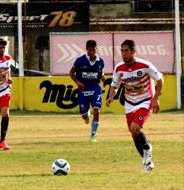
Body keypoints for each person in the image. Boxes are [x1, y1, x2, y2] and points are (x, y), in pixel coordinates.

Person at [106, 39, 163, 172]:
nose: (123, 53)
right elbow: (114, 85)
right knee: (133, 133)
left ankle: (147, 150)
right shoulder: (119, 68)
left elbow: (160, 80)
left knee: (135, 128)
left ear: (133, 52)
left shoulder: (145, 65)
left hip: (145, 101)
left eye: (126, 50)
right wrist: (111, 96)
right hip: (129, 104)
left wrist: (155, 99)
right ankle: (147, 162)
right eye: (122, 50)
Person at [69, 40, 105, 143]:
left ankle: (93, 135)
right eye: (90, 50)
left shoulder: (100, 61)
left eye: (94, 50)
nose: (92, 52)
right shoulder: (80, 60)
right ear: (87, 50)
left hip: (95, 89)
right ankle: (86, 116)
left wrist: (102, 76)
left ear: (96, 49)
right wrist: (77, 82)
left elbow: (101, 70)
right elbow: (71, 73)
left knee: (96, 110)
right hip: (83, 90)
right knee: (84, 114)